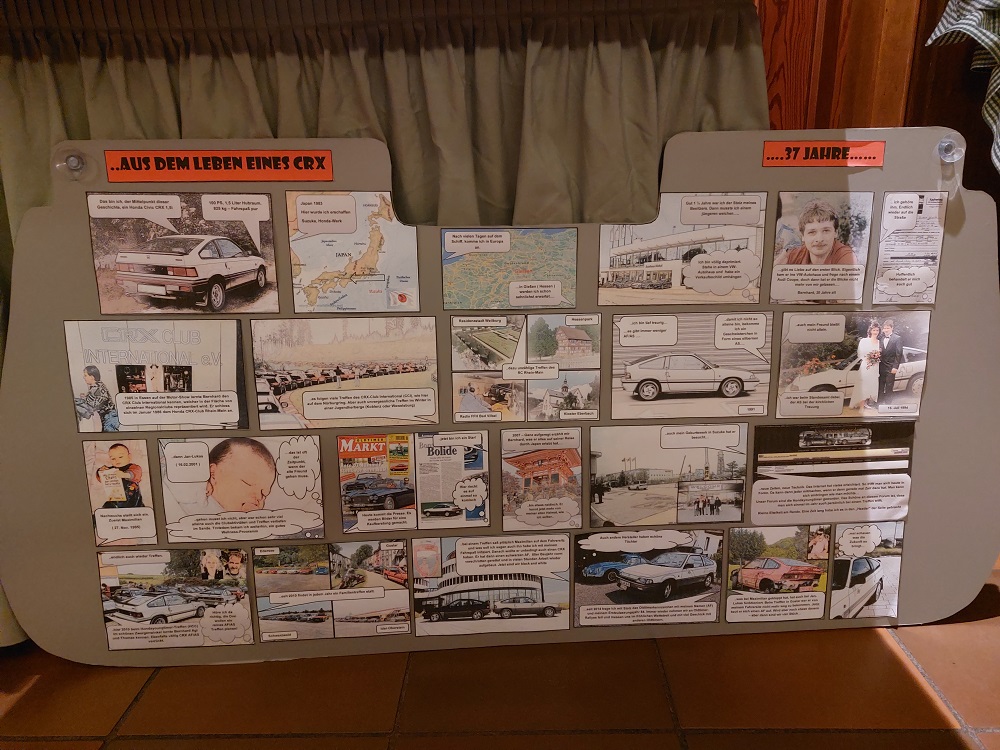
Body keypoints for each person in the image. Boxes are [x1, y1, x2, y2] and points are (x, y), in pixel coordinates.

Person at [774, 199, 859, 266]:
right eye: (812, 232)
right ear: (803, 235)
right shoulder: (794, 255)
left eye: (826, 231)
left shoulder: (845, 256)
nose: (819, 239)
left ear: (835, 232)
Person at [95, 443, 145, 508]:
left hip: (132, 499)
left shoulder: (133, 467)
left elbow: (136, 474)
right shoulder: (111, 470)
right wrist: (101, 472)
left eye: (120, 457)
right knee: (107, 507)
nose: (117, 460)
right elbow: (101, 479)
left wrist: (125, 475)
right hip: (115, 499)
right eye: (113, 458)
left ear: (129, 457)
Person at [75, 365, 120, 432]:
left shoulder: (98, 387)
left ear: (92, 377)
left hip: (110, 417)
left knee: (110, 435)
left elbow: (98, 402)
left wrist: (84, 402)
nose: (84, 377)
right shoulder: (95, 388)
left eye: (85, 375)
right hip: (106, 418)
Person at [850, 322, 882, 411]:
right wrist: (868, 359)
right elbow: (860, 353)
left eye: (877, 330)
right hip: (866, 366)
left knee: (870, 385)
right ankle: (861, 406)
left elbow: (879, 354)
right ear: (870, 331)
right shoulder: (864, 341)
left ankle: (866, 403)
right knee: (864, 385)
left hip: (874, 366)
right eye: (874, 330)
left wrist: (876, 358)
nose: (875, 332)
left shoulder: (879, 342)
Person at [879, 319, 903, 404]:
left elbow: (899, 354)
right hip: (881, 366)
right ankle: (879, 403)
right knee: (880, 385)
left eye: (888, 328)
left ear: (892, 328)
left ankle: (888, 404)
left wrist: (895, 367)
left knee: (889, 386)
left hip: (891, 367)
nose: (886, 330)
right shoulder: (881, 338)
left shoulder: (897, 338)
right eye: (884, 328)